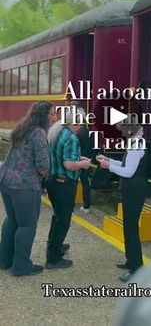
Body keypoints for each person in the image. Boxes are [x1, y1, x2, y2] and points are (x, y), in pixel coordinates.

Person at [0, 101, 54, 276]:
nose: (54, 117)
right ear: (43, 115)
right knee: (27, 225)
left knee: (12, 220)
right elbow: (43, 165)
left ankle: (4, 260)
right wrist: (47, 174)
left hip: (6, 180)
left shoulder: (22, 127)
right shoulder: (38, 133)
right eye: (51, 114)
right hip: (25, 185)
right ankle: (21, 266)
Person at [97, 122, 147, 282]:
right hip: (132, 189)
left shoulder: (136, 146)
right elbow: (125, 165)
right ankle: (130, 260)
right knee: (128, 227)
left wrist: (109, 167)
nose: (122, 134)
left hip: (134, 190)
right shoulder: (136, 143)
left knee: (131, 229)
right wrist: (109, 161)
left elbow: (128, 171)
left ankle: (137, 268)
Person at [45, 111, 90, 269]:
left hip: (52, 181)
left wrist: (77, 160)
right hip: (64, 183)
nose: (81, 126)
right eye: (80, 123)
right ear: (73, 122)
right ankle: (53, 258)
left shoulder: (56, 131)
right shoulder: (71, 138)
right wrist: (83, 164)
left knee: (57, 216)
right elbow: (68, 165)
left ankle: (53, 246)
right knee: (63, 220)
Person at [70, 100, 94, 214]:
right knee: (85, 183)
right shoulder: (88, 131)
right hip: (87, 160)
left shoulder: (77, 134)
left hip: (78, 160)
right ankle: (86, 205)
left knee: (73, 182)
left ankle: (71, 205)